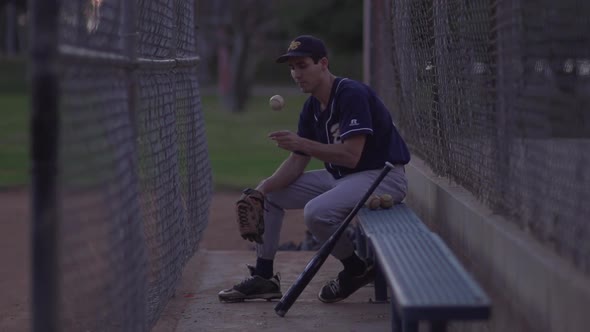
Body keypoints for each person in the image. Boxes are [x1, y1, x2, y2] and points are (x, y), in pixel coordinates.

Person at [218, 35, 410, 303]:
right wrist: (263, 189)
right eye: (292, 67)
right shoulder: (311, 107)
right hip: (342, 177)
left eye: (303, 65)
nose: (297, 73)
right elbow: (297, 161)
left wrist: (302, 143)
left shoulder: (351, 94)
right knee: (271, 195)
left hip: (381, 177)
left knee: (316, 212)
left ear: (323, 63)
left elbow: (352, 156)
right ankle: (264, 277)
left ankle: (355, 269)